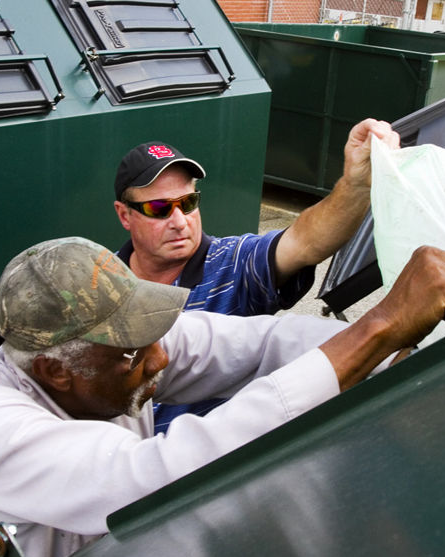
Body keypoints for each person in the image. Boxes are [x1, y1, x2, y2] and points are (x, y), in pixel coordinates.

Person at [0, 236, 445, 557]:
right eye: (133, 355)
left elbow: (263, 343)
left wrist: (388, 352)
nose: (161, 360)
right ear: (56, 370)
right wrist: (379, 326)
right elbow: (153, 478)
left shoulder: (115, 355)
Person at [113, 119, 400, 428]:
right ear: (124, 215)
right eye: (159, 208)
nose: (180, 221)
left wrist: (356, 185)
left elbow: (306, 241)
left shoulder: (231, 264)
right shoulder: (100, 284)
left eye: (188, 202)